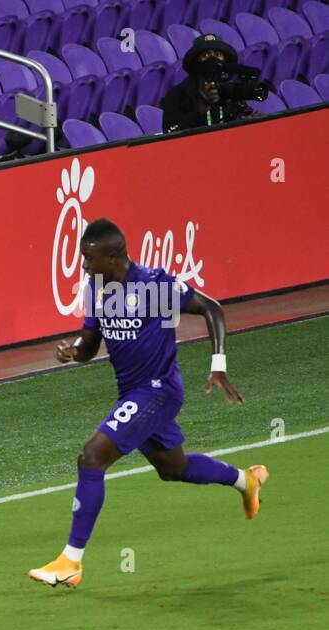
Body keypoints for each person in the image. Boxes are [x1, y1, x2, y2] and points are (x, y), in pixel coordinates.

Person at [28, 218, 267, 588]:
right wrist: (71, 352)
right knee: (174, 468)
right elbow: (89, 346)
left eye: (89, 259)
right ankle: (245, 480)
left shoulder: (155, 286)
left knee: (91, 457)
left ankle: (71, 561)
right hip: (134, 394)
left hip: (158, 391)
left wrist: (218, 365)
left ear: (113, 257)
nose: (84, 267)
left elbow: (212, 309)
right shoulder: (96, 288)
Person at [161, 34, 254, 133]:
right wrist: (199, 111)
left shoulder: (230, 90)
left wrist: (252, 119)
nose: (213, 60)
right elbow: (170, 133)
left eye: (218, 55)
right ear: (195, 62)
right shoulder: (177, 95)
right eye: (205, 55)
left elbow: (243, 117)